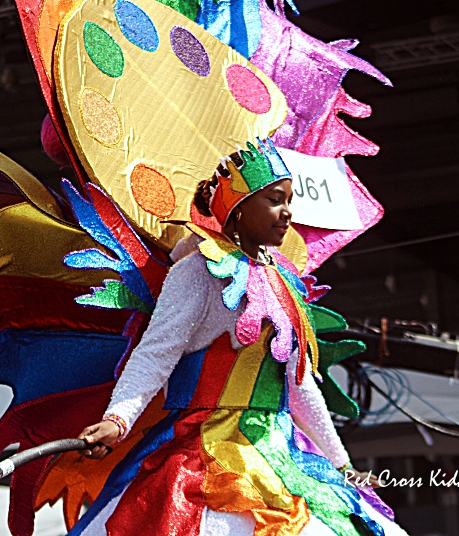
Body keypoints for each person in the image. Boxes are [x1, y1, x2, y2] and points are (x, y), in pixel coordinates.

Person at [74, 138, 405, 536]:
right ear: (239, 208)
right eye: (275, 199)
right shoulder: (197, 270)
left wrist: (341, 465)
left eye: (289, 200)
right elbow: (156, 353)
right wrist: (117, 419)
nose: (288, 212)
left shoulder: (283, 279)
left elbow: (297, 381)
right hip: (207, 452)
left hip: (279, 449)